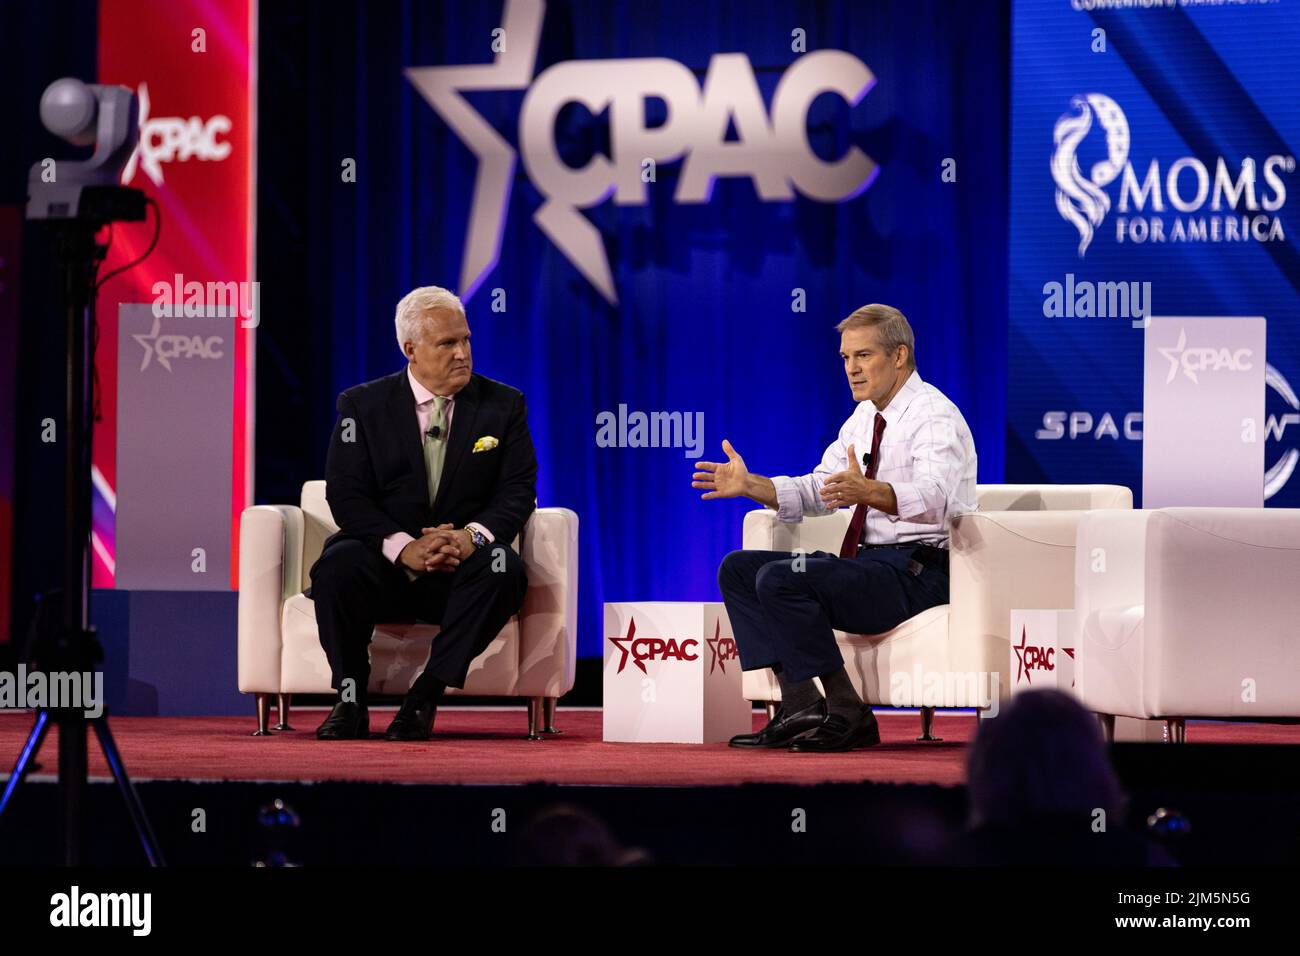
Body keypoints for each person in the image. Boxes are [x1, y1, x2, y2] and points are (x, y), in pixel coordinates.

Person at [693, 304, 977, 752]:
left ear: (899, 355)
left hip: (920, 571)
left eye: (863, 356)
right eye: (845, 358)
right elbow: (816, 488)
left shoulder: (934, 416)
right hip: (870, 568)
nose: (851, 369)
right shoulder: (863, 419)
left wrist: (870, 491)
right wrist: (752, 485)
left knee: (784, 578)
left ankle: (848, 710)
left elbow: (935, 498)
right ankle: (800, 703)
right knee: (739, 570)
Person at [306, 285, 537, 741]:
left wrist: (471, 537)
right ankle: (350, 701)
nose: (462, 353)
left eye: (466, 340)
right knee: (336, 565)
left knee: (504, 568)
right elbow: (347, 497)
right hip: (385, 563)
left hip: (460, 567)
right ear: (410, 349)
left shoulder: (503, 405)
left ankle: (424, 696)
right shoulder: (361, 406)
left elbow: (517, 490)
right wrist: (403, 547)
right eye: (447, 343)